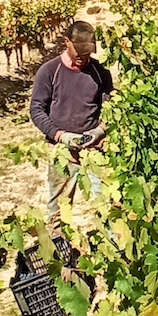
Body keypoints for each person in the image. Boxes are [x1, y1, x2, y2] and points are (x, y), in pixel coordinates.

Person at [29, 20, 113, 231]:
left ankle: (113, 252)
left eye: (87, 55)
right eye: (78, 53)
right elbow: (37, 110)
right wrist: (60, 135)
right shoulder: (49, 71)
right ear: (66, 42)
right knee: (59, 210)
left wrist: (100, 131)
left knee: (107, 206)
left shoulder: (100, 73)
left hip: (94, 151)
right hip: (62, 152)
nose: (82, 59)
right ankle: (61, 255)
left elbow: (112, 109)